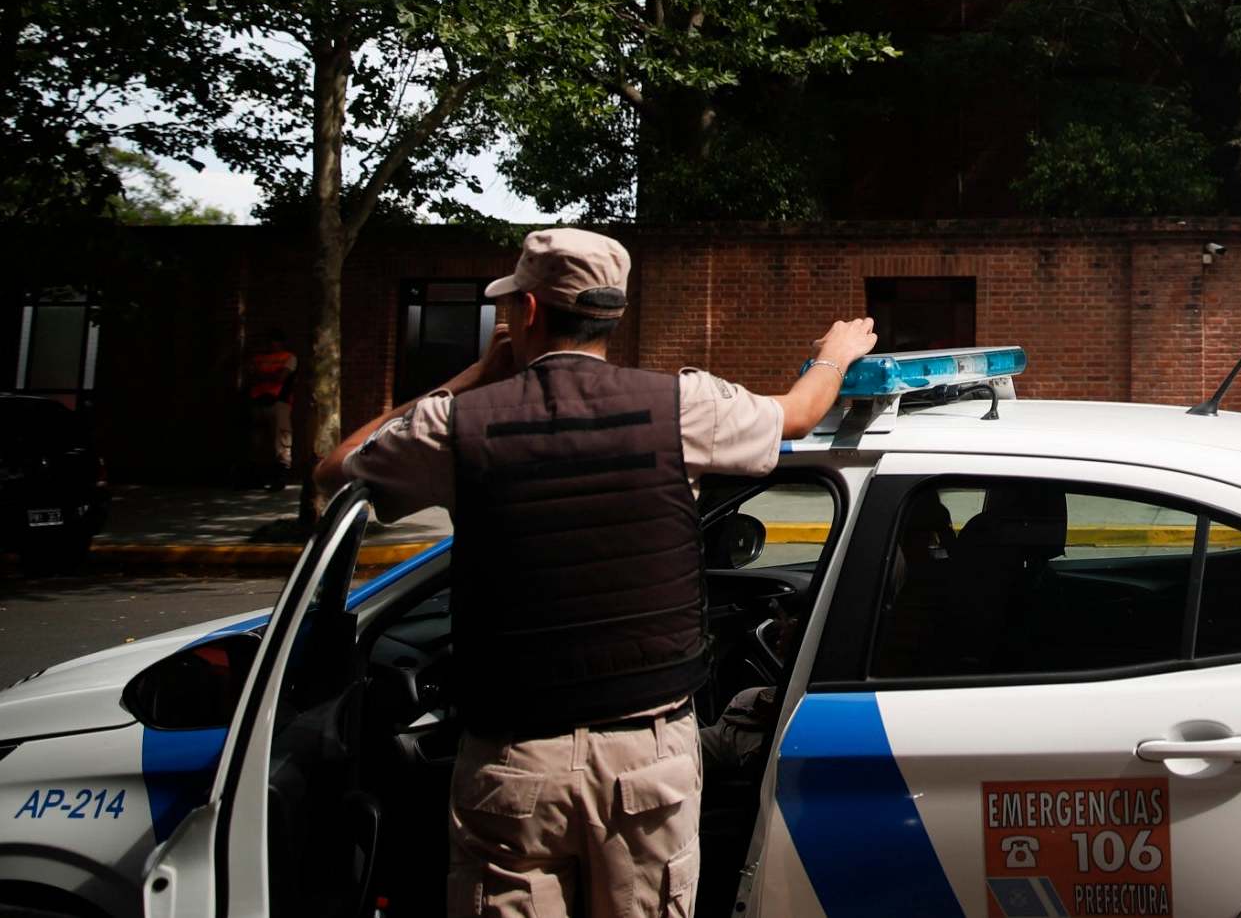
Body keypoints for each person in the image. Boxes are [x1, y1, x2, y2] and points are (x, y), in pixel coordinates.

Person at [313, 227, 877, 918]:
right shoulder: (681, 407)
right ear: (613, 314)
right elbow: (796, 415)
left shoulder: (458, 426)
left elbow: (337, 469)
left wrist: (472, 379)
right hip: (648, 759)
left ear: (525, 312)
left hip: (513, 766)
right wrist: (836, 354)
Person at [240, 327, 297, 489]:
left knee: (281, 441)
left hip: (279, 402)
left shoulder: (288, 357)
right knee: (256, 442)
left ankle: (280, 478)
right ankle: (257, 477)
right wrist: (270, 376)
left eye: (275, 341)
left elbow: (282, 377)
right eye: (270, 341)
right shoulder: (258, 358)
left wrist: (262, 376)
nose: (272, 344)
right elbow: (250, 376)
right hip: (257, 401)